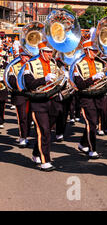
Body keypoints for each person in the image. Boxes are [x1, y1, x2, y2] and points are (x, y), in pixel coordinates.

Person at [23, 41, 61, 171]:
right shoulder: (30, 65)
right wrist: (44, 79)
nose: (50, 54)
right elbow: (29, 84)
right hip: (38, 103)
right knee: (44, 131)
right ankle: (45, 162)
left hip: (52, 102)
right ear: (41, 52)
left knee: (45, 131)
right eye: (47, 52)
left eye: (51, 52)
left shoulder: (54, 64)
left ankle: (36, 153)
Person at [72, 37, 107, 159]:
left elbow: (105, 81)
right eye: (93, 50)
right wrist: (93, 78)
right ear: (86, 50)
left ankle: (82, 143)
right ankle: (92, 149)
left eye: (96, 50)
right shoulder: (79, 65)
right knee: (92, 123)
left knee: (91, 123)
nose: (95, 53)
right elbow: (79, 84)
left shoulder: (100, 63)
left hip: (98, 97)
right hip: (86, 98)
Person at [8, 48, 32, 147]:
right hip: (20, 95)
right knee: (22, 117)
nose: (25, 58)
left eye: (27, 56)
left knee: (29, 117)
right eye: (23, 55)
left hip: (31, 95)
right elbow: (12, 82)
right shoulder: (13, 67)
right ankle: (23, 137)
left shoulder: (32, 66)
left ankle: (26, 135)